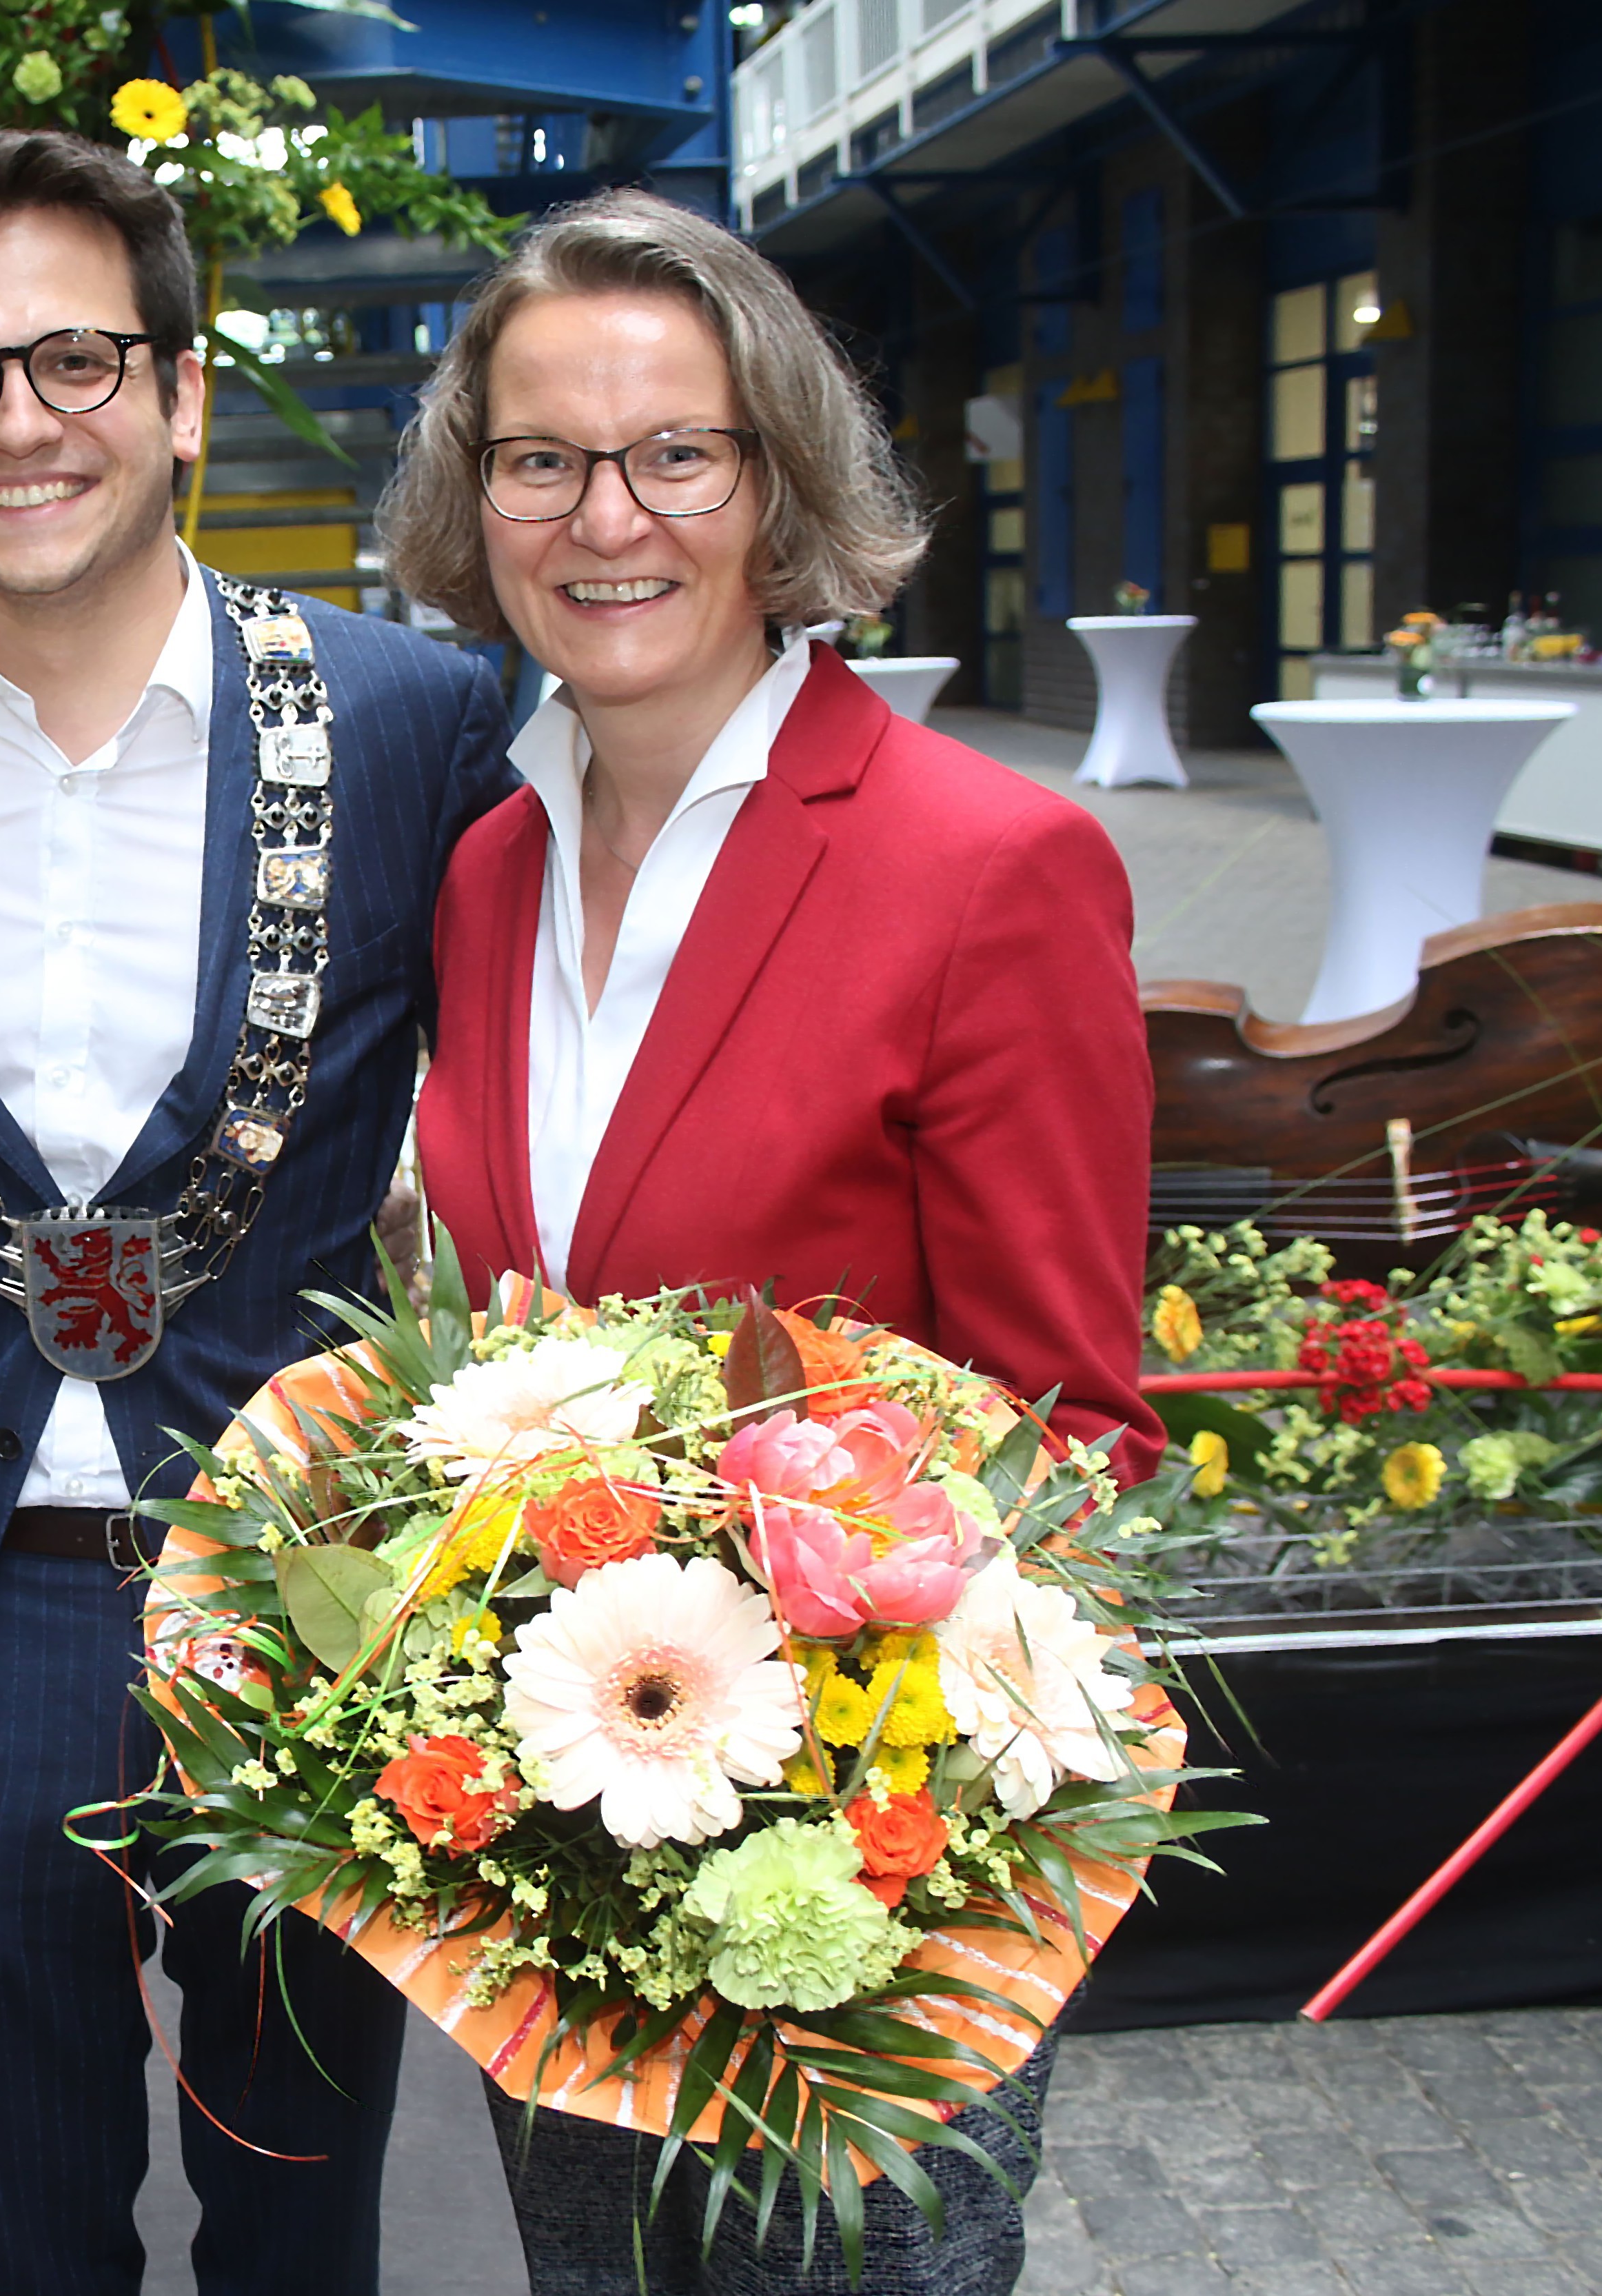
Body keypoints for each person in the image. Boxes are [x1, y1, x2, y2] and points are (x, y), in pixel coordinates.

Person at [0, 130, 515, 2296]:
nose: (17, 421)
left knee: (301, 2225)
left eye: (74, 358)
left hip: (307, 1594)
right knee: (24, 2233)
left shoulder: (408, 714)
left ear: (181, 390)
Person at [381, 190, 1160, 2293]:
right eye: (536, 457)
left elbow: (1072, 1429)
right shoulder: (483, 871)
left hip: (868, 1885)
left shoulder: (983, 862)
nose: (599, 515)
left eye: (673, 454)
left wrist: (829, 1763)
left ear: (776, 480)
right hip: (567, 1844)